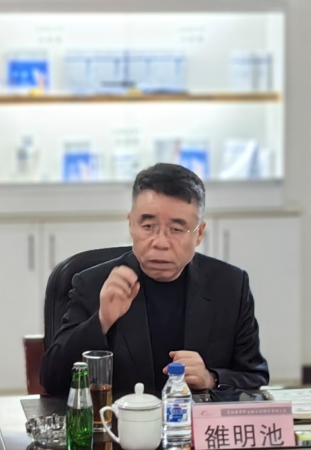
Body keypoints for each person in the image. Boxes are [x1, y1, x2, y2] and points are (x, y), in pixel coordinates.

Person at [40, 163, 269, 398]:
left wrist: (210, 378)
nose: (160, 242)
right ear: (131, 224)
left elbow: (254, 377)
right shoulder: (93, 283)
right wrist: (102, 321)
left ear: (199, 234)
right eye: (148, 226)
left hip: (193, 421)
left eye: (176, 229)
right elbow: (52, 380)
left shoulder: (230, 286)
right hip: (116, 420)